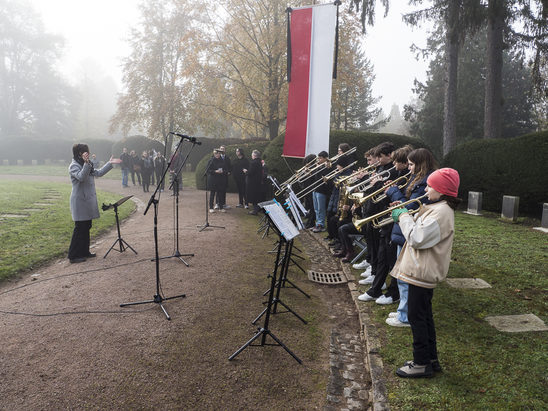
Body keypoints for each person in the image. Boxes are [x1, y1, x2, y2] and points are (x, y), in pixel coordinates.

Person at [391, 168, 461, 378]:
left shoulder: (441, 212)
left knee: (416, 317)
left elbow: (417, 238)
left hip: (422, 272)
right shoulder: (437, 207)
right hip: (421, 271)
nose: (426, 189)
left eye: (431, 186)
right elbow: (421, 228)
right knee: (424, 316)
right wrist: (406, 213)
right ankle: (430, 359)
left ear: (441, 190)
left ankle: (421, 363)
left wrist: (403, 216)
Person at [384, 148, 437, 326]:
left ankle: (405, 315)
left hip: (410, 231)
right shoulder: (419, 179)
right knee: (402, 276)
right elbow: (409, 204)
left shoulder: (424, 182)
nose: (409, 168)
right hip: (405, 229)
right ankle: (403, 310)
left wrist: (393, 192)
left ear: (420, 164)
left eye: (412, 164)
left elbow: (412, 205)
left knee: (405, 277)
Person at [68, 143, 122, 263]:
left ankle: (84, 251)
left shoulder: (86, 164)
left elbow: (98, 173)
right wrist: (87, 163)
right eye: (85, 152)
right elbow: (81, 177)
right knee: (79, 228)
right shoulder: (74, 166)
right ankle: (73, 255)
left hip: (87, 201)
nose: (87, 153)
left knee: (87, 226)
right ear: (79, 153)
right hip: (80, 201)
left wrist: (110, 163)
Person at [311, 151, 331, 232]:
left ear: (325, 158)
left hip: (322, 190)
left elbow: (324, 176)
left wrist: (319, 168)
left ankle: (321, 224)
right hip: (315, 189)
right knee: (316, 208)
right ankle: (317, 223)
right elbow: (314, 177)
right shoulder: (319, 166)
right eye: (318, 158)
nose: (318, 160)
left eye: (320, 158)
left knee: (321, 209)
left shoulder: (327, 166)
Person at [245, 149, 263, 215]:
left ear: (254, 155)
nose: (251, 156)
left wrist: (246, 171)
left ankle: (255, 211)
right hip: (257, 182)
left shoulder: (254, 163)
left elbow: (250, 172)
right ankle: (256, 209)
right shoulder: (259, 162)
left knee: (254, 197)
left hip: (252, 183)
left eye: (252, 154)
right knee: (256, 196)